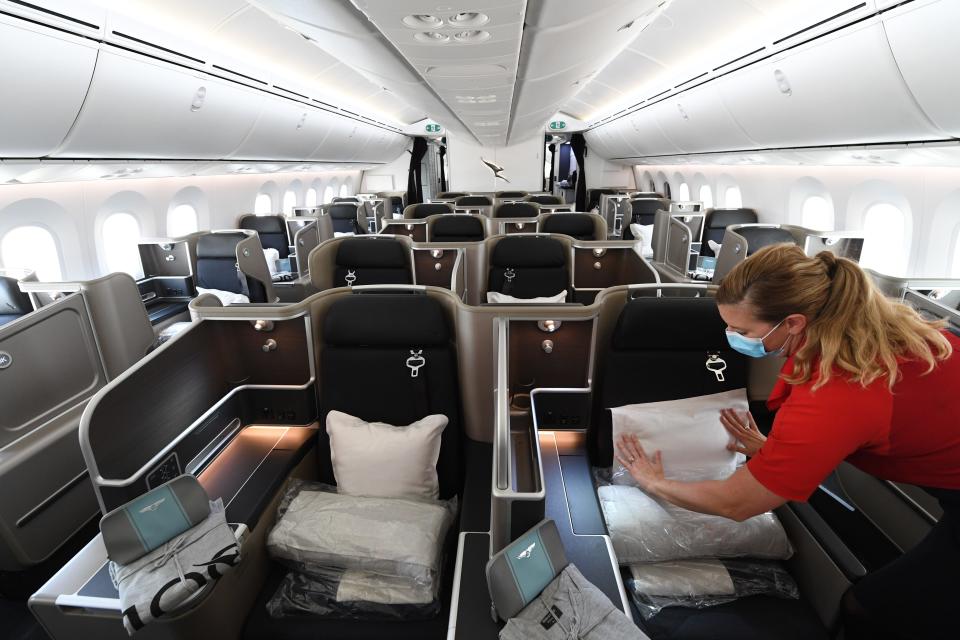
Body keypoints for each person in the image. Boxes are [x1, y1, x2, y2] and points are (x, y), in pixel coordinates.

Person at [615, 243, 960, 640]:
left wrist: (653, 481)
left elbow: (738, 503)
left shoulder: (839, 392)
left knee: (869, 608)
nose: (731, 338)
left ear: (793, 323)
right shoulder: (860, 332)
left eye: (742, 331)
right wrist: (774, 451)